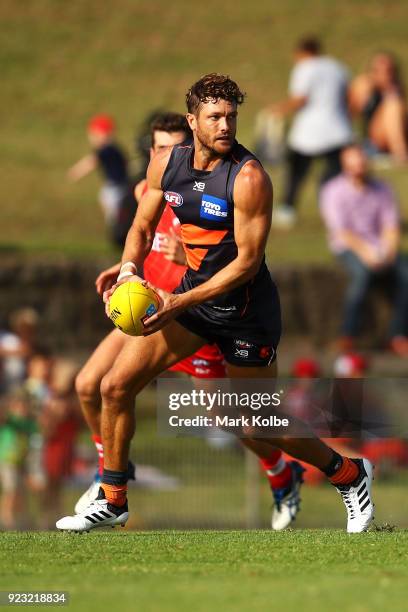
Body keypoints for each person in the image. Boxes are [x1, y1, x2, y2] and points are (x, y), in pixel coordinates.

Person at [57, 73, 374, 534]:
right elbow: (142, 228)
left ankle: (348, 473)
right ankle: (113, 497)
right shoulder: (166, 164)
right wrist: (129, 268)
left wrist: (178, 299)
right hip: (195, 304)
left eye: (231, 116)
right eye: (215, 117)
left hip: (246, 315)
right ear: (193, 121)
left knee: (258, 421)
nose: (225, 125)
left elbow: (246, 264)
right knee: (113, 386)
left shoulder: (248, 178)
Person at [72, 111, 303, 531]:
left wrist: (190, 262)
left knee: (236, 419)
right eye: (157, 147)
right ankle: (110, 478)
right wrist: (123, 268)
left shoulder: (202, 195)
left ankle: (281, 470)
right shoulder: (151, 188)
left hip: (192, 312)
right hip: (148, 310)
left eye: (171, 146)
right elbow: (145, 240)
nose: (165, 154)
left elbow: (229, 257)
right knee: (92, 384)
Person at [320, 144, 408, 356]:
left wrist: (387, 251)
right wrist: (367, 252)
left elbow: (391, 225)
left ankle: (398, 335)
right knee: (361, 275)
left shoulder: (382, 189)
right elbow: (341, 231)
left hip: (381, 247)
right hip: (349, 246)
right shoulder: (333, 191)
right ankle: (347, 334)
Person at [272, 37, 353, 228]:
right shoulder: (338, 67)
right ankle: (336, 210)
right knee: (335, 176)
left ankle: (287, 208)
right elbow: (349, 97)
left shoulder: (305, 68)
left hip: (309, 133)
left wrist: (278, 110)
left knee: (296, 173)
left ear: (302, 52)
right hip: (339, 131)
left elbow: (301, 99)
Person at [67, 114, 133, 247]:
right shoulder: (115, 149)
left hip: (116, 188)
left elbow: (91, 162)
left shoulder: (107, 149)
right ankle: (118, 237)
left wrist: (75, 172)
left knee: (116, 215)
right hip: (119, 187)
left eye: (94, 135)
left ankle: (119, 238)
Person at [349, 52, 408, 163]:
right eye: (379, 71)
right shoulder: (364, 86)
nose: (386, 75)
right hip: (373, 143)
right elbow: (348, 113)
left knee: (393, 104)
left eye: (390, 71)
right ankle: (401, 154)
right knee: (393, 106)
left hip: (389, 142)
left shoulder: (396, 89)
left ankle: (400, 152)